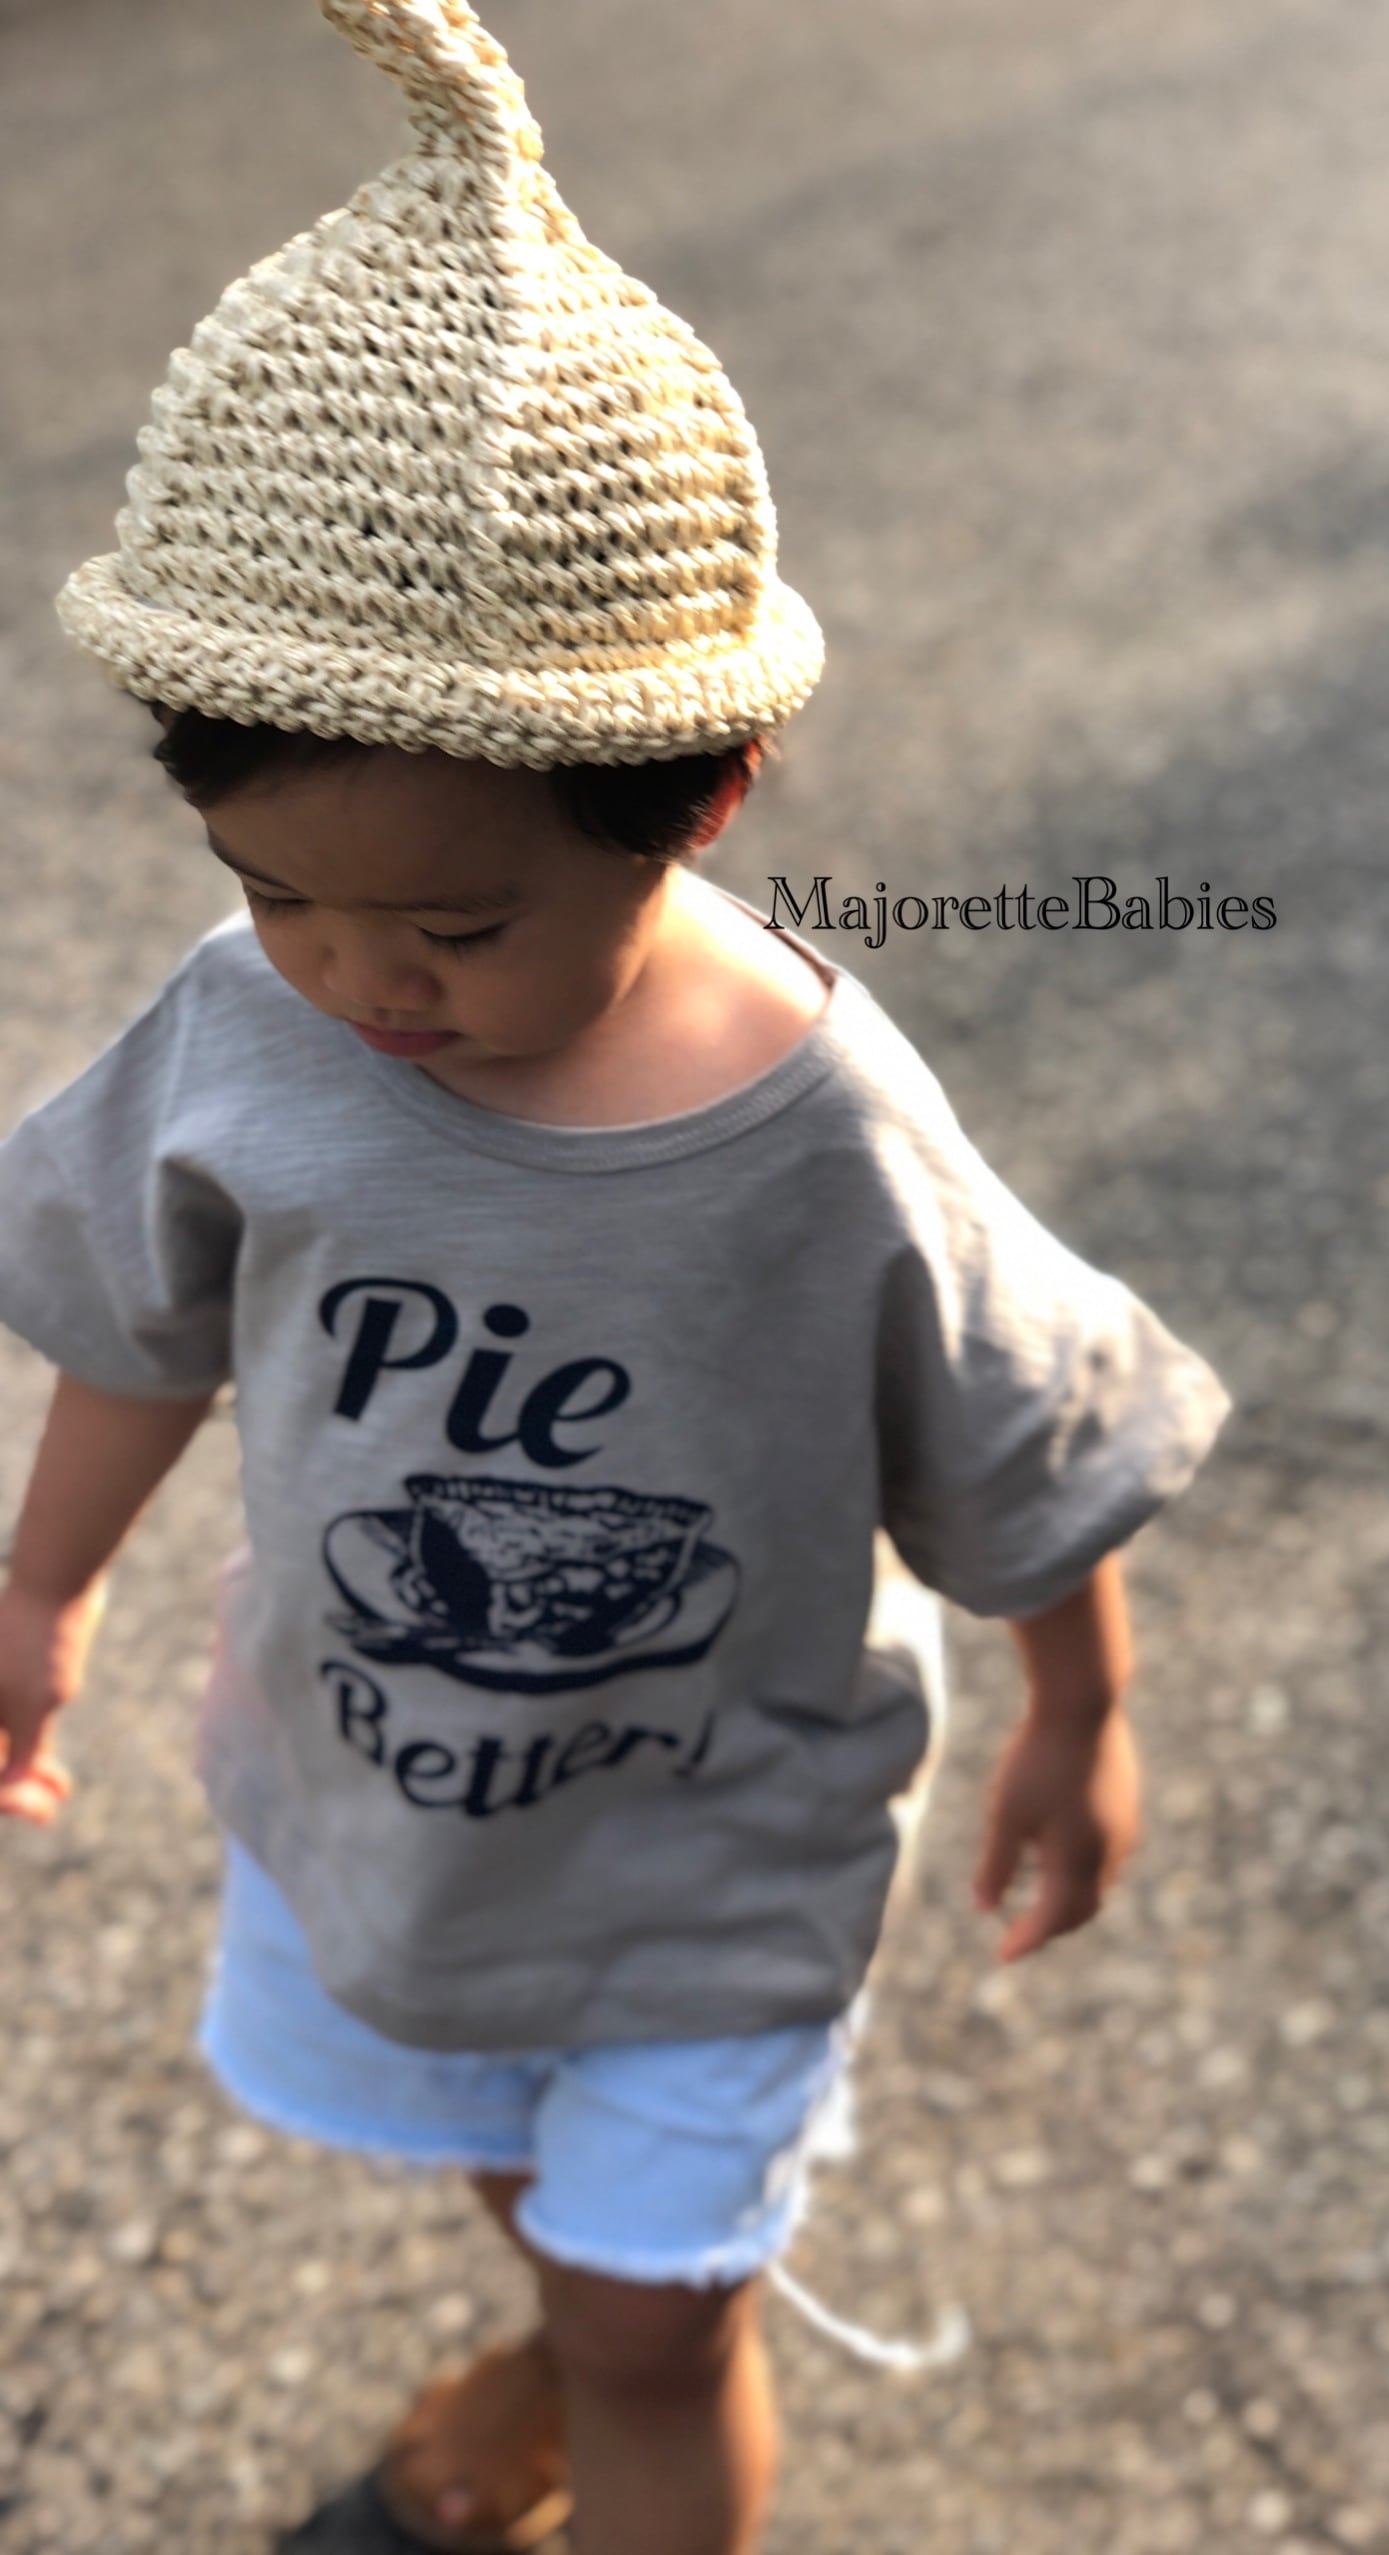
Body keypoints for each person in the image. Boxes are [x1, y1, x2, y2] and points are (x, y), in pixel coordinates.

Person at [0, 7, 1229, 2554]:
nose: (359, 979)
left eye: (456, 925)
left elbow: (1021, 1427)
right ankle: (572, 2334)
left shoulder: (816, 1127)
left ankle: (617, 2363)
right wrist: (40, 1590)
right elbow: (143, 1312)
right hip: (379, 1797)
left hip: (712, 1845)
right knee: (524, 2189)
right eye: (275, 892)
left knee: (662, 2319)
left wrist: (1080, 1714)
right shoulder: (252, 1025)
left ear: (700, 797)